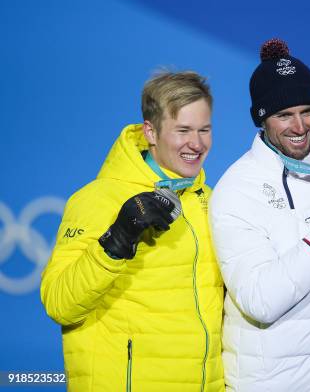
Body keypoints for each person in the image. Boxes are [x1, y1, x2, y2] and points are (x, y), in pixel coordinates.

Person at [41, 71, 224, 391]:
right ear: (150, 132)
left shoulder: (209, 200)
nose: (196, 143)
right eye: (183, 130)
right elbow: (60, 303)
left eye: (204, 130)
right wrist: (117, 240)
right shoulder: (99, 198)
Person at [209, 39, 310, 391]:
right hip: (275, 382)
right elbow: (260, 301)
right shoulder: (238, 187)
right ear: (262, 119)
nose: (299, 127)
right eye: (284, 115)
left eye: (307, 111)